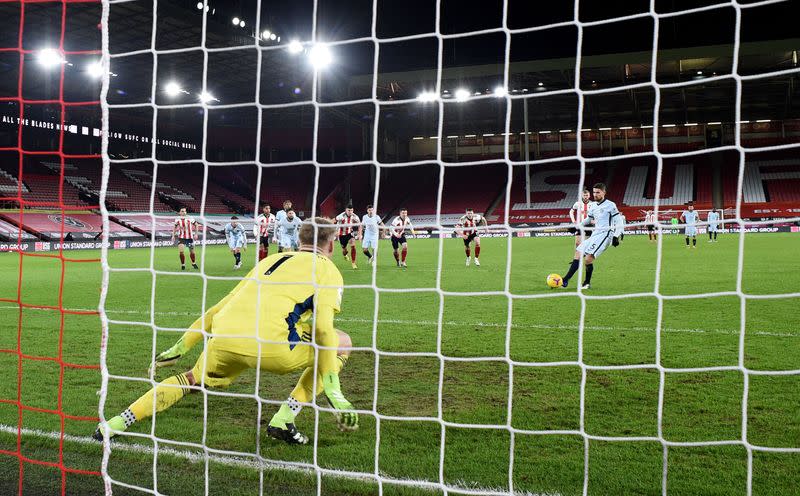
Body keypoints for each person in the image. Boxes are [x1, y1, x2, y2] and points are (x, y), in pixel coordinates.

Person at [93, 218, 359, 445]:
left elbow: (216, 309)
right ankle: (284, 418)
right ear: (332, 243)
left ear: (299, 238)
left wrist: (181, 346)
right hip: (274, 347)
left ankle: (116, 422)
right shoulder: (329, 270)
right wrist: (334, 391)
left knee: (190, 379)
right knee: (342, 340)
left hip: (225, 339)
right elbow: (324, 331)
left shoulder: (271, 260)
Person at [561, 183, 624, 290]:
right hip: (596, 233)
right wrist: (577, 226)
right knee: (578, 252)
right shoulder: (593, 205)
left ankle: (586, 283)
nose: (595, 194)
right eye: (594, 192)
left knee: (588, 259)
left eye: (598, 192)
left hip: (606, 234)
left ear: (604, 192)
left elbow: (619, 221)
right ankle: (565, 279)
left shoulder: (610, 205)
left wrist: (616, 235)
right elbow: (589, 219)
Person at [335, 205, 361, 270]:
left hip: (350, 234)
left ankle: (353, 263)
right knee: (344, 250)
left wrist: (359, 234)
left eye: (351, 210)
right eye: (349, 210)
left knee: (353, 246)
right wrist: (335, 232)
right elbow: (335, 221)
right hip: (341, 235)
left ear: (353, 210)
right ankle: (345, 255)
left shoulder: (355, 217)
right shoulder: (341, 216)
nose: (350, 212)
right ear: (346, 210)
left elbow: (360, 225)